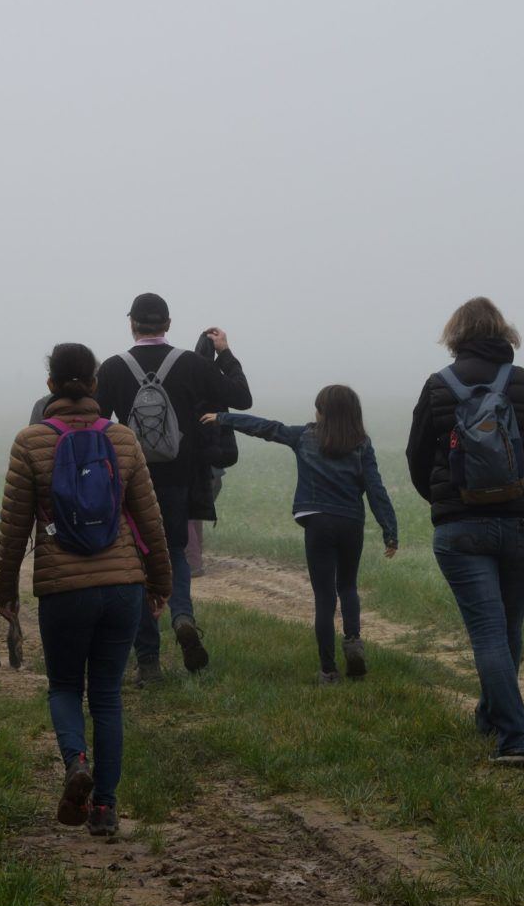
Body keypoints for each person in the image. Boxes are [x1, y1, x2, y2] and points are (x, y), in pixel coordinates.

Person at [0, 343, 171, 836]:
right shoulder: (123, 439)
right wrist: (159, 584)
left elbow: (12, 529)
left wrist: (3, 590)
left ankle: (76, 762)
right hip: (121, 587)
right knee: (108, 697)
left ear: (50, 385)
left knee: (67, 686)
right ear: (94, 385)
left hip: (62, 589)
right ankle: (104, 809)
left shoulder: (29, 442)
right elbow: (149, 521)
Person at [406, 297, 524, 768]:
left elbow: (416, 459)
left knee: (489, 633)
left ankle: (512, 736)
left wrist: (446, 504)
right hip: (521, 525)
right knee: (508, 628)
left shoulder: (438, 386)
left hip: (460, 529)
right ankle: (493, 716)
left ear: (456, 334)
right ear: (502, 332)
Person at [96, 293, 252, 682]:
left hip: (132, 480)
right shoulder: (192, 364)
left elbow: (95, 422)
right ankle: (182, 617)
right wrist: (226, 353)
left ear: (132, 324)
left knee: (136, 563)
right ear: (167, 324)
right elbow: (241, 397)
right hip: (179, 480)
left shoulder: (113, 368)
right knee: (176, 553)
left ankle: (148, 661)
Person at [202, 385, 398, 683]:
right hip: (350, 523)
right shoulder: (361, 444)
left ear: (322, 413)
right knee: (348, 587)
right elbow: (376, 488)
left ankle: (329, 670)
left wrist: (223, 418)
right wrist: (390, 531)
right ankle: (354, 642)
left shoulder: (304, 436)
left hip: (318, 523)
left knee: (324, 597)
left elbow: (266, 428)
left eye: (317, 408)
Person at [187, 330, 240, 577]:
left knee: (187, 512)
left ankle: (193, 562)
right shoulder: (220, 384)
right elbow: (243, 394)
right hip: (217, 463)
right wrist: (225, 353)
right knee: (197, 510)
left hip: (194, 461)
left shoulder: (187, 381)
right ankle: (196, 559)